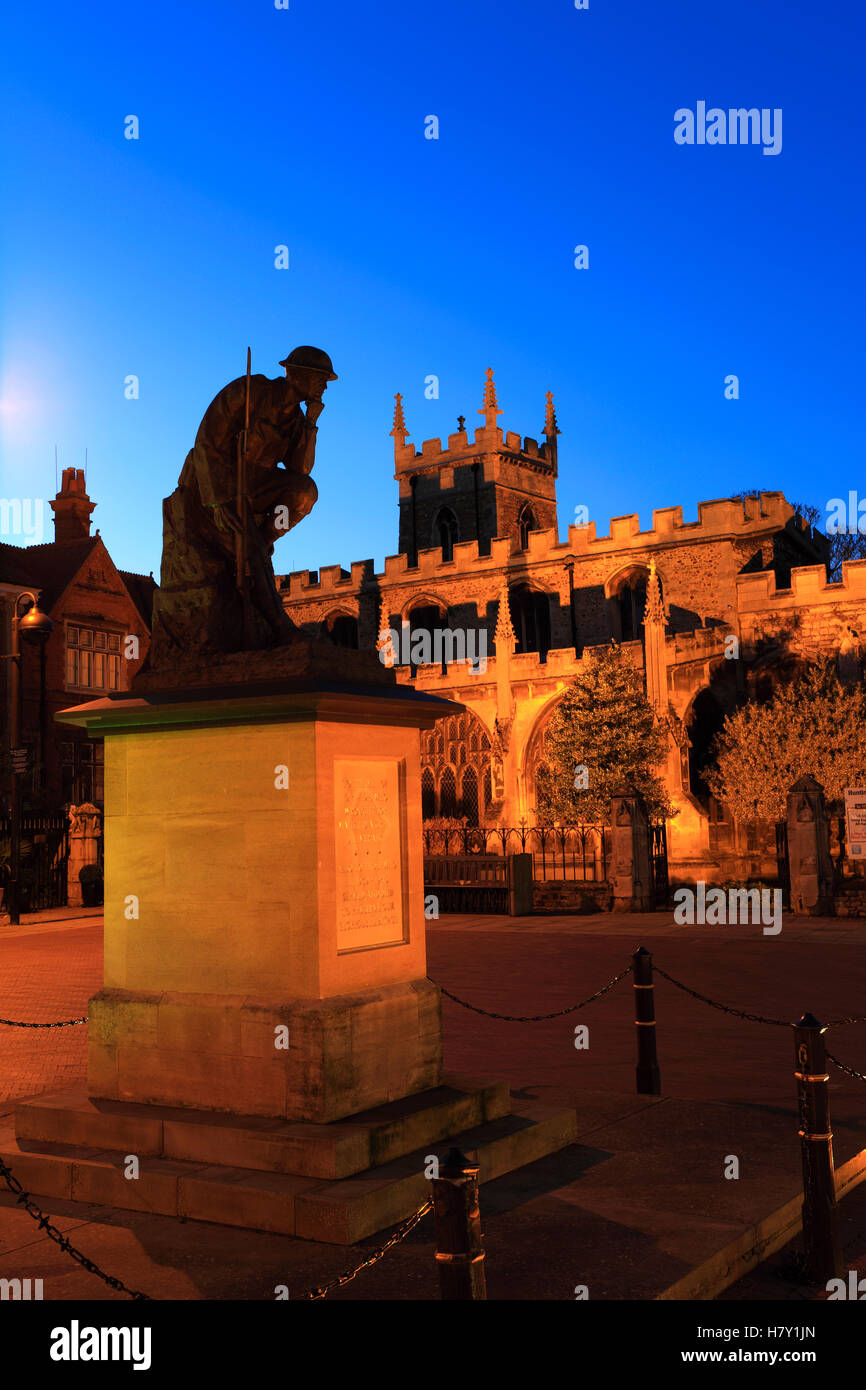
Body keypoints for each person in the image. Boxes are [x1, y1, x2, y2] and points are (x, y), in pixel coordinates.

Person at [147, 347, 337, 664]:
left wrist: (310, 424)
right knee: (247, 542)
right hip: (212, 486)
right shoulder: (250, 391)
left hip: (254, 485)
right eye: (321, 379)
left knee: (306, 492)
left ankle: (260, 541)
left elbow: (300, 470)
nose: (325, 387)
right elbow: (206, 443)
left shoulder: (295, 418)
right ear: (299, 375)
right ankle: (279, 626)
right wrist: (217, 501)